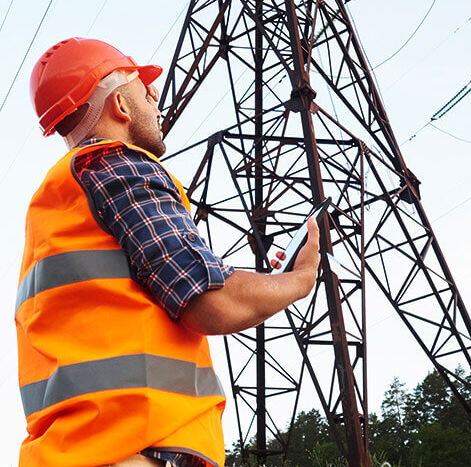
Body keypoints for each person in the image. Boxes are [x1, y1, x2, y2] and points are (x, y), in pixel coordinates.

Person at [16, 38, 321, 467]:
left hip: (80, 450)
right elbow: (212, 302)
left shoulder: (59, 201)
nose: (156, 96)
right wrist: (298, 280)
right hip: (138, 448)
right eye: (145, 88)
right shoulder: (118, 166)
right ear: (120, 105)